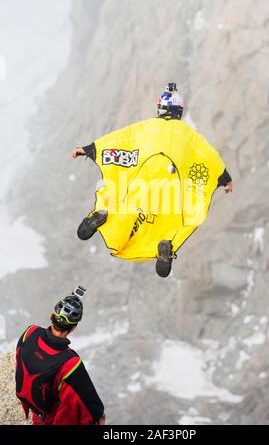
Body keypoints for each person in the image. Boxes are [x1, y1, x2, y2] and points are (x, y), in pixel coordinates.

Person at [71, 83, 233, 278]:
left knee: (121, 205)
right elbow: (210, 156)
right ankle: (167, 246)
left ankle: (100, 216)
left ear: (160, 108)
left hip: (142, 181)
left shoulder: (145, 127)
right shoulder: (190, 135)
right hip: (170, 188)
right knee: (181, 220)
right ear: (179, 111)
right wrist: (225, 179)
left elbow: (119, 139)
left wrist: (89, 149)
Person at [15, 287, 106, 425]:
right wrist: (99, 416)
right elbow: (89, 406)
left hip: (36, 410)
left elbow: (19, 361)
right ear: (74, 328)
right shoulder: (70, 363)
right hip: (49, 418)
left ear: (52, 316)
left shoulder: (30, 332)